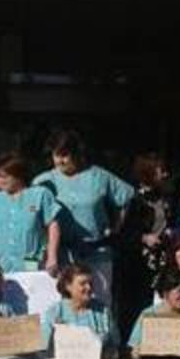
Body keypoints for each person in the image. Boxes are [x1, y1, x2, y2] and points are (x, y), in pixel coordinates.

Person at [34, 130, 135, 305]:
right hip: (61, 254)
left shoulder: (99, 176)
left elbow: (126, 197)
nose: (60, 161)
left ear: (76, 154)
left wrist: (116, 227)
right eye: (56, 155)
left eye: (65, 155)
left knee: (100, 301)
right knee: (61, 304)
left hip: (96, 251)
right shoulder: (43, 181)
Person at [0, 152, 62, 274]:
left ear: (18, 176)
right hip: (1, 265)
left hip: (31, 263)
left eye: (4, 176)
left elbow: (53, 225)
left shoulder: (40, 194)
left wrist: (52, 257)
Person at [119, 152, 174, 331]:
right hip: (138, 261)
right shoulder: (133, 199)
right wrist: (144, 237)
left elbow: (167, 222)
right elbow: (122, 232)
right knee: (136, 304)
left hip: (161, 259)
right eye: (161, 171)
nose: (165, 175)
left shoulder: (164, 198)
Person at [40, 263, 121, 359]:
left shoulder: (103, 311)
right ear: (68, 286)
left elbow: (115, 343)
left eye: (90, 283)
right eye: (83, 283)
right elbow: (43, 348)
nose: (88, 287)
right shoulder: (55, 312)